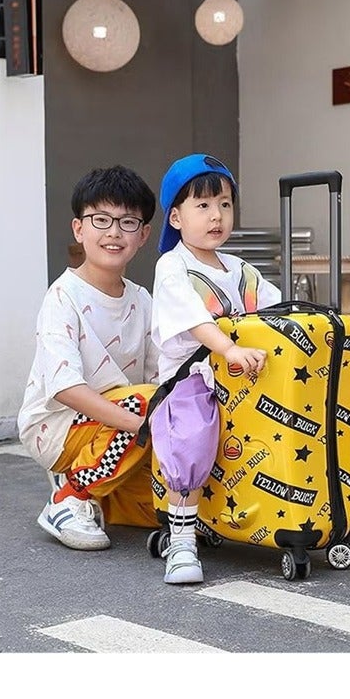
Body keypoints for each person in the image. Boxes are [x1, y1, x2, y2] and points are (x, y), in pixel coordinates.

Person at [150, 153, 281, 584]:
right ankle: (183, 540)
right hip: (192, 382)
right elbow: (195, 320)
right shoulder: (173, 267)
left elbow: (276, 310)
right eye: (202, 206)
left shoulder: (240, 269)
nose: (216, 216)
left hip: (239, 380)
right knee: (190, 439)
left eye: (224, 204)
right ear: (175, 217)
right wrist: (229, 349)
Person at [18, 165, 160, 551]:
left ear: (144, 234)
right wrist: (143, 425)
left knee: (168, 510)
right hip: (59, 426)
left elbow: (160, 378)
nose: (113, 232)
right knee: (149, 404)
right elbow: (65, 389)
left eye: (128, 222)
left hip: (121, 428)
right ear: (79, 229)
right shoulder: (63, 297)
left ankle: (103, 491)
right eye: (100, 219)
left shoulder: (143, 300)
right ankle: (71, 498)